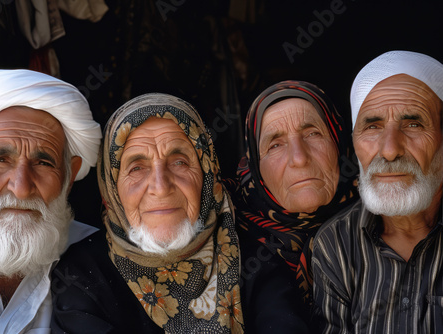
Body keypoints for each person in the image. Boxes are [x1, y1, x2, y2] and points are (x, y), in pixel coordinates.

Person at [51, 93, 307, 333]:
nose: (161, 187)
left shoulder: (256, 265)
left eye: (179, 162)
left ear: (207, 177)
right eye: (137, 167)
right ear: (112, 189)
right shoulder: (81, 275)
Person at [0, 69, 102, 333]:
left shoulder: (101, 262)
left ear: (69, 176)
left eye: (43, 163)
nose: (21, 188)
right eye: (0, 160)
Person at [312, 50, 443, 333]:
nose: (390, 149)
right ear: (355, 144)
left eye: (413, 124)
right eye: (372, 126)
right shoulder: (337, 243)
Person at [226, 80, 358, 315]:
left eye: (313, 133)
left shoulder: (388, 225)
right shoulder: (230, 250)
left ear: (340, 143)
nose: (299, 157)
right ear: (255, 168)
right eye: (275, 145)